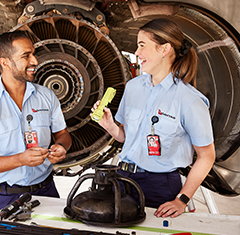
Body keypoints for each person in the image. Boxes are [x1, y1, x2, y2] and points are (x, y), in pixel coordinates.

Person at [91, 18, 215, 218]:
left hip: (160, 186)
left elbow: (207, 156)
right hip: (122, 178)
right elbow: (125, 137)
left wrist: (182, 199)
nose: (137, 52)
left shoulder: (190, 100)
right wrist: (111, 126)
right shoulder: (133, 87)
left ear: (164, 49)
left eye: (142, 45)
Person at [0, 30, 72, 218]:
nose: (35, 61)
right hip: (4, 198)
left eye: (33, 54)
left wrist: (61, 146)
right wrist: (20, 160)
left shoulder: (46, 96)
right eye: (26, 56)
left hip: (45, 193)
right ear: (5, 62)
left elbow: (63, 134)